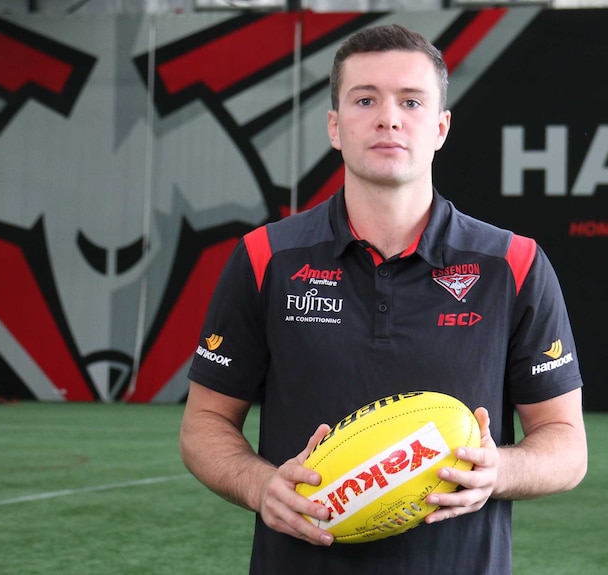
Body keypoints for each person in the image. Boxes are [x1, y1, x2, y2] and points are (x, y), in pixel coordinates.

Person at [180, 23, 587, 575]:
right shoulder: (264, 258)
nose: (388, 118)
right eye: (365, 99)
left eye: (412, 102)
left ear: (441, 127)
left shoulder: (513, 264)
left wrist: (499, 471)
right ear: (335, 126)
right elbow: (203, 423)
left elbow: (565, 443)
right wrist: (259, 486)